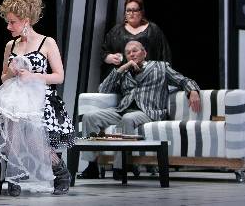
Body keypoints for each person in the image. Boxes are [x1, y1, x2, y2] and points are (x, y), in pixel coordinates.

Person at [79, 40, 200, 179]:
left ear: (144, 53)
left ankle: (121, 166)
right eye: (128, 53)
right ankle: (92, 166)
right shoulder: (124, 72)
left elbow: (183, 80)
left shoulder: (160, 67)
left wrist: (193, 91)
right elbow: (103, 89)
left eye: (135, 50)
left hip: (148, 111)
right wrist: (121, 68)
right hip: (123, 109)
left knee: (128, 118)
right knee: (89, 117)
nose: (131, 54)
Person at [0, 0, 75, 196]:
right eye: (8, 21)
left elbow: (59, 76)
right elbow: (3, 76)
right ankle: (14, 178)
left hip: (39, 99)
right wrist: (12, 74)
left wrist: (34, 76)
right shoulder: (10, 45)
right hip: (14, 98)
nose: (8, 26)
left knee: (35, 142)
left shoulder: (46, 42)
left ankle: (61, 172)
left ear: (26, 20)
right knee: (12, 139)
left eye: (12, 22)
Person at [101, 0, 171, 76]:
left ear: (141, 12)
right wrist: (108, 58)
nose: (131, 13)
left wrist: (166, 74)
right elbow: (104, 51)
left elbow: (165, 54)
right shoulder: (116, 31)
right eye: (128, 10)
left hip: (149, 77)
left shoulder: (153, 30)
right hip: (123, 78)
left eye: (134, 10)